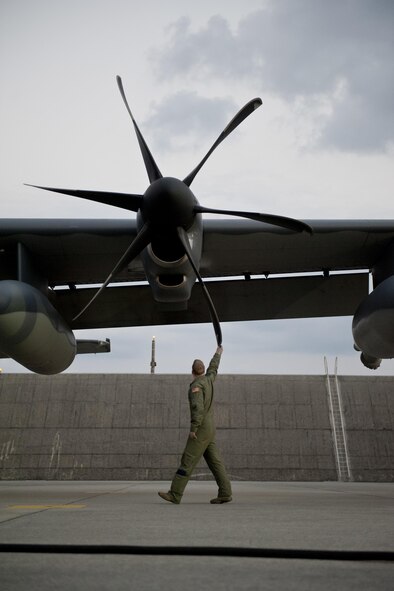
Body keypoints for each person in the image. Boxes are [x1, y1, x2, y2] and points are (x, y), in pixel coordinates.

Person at [158, 345, 232, 504]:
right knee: (215, 461)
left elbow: (197, 408)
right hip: (210, 428)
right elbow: (214, 368)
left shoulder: (196, 386)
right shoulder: (209, 379)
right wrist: (218, 353)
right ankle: (225, 492)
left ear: (192, 371)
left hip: (201, 428)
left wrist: (193, 429)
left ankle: (175, 493)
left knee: (188, 459)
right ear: (203, 370)